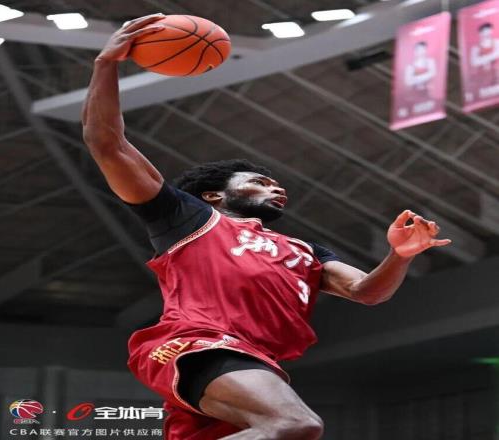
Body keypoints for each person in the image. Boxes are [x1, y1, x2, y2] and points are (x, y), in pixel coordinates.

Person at [82, 14, 452, 440]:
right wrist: (106, 65)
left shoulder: (306, 252)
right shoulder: (186, 218)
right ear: (213, 195)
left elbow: (367, 291)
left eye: (276, 184)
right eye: (259, 181)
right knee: (295, 424)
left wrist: (399, 256)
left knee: (277, 431)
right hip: (196, 341)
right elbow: (107, 143)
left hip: (253, 363)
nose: (276, 187)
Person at [470, 22, 499, 87]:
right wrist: (493, 55)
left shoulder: (497, 42)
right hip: (483, 76)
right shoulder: (475, 48)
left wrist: (482, 59)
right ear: (480, 33)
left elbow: (497, 53)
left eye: (489, 31)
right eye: (485, 32)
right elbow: (474, 62)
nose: (488, 34)